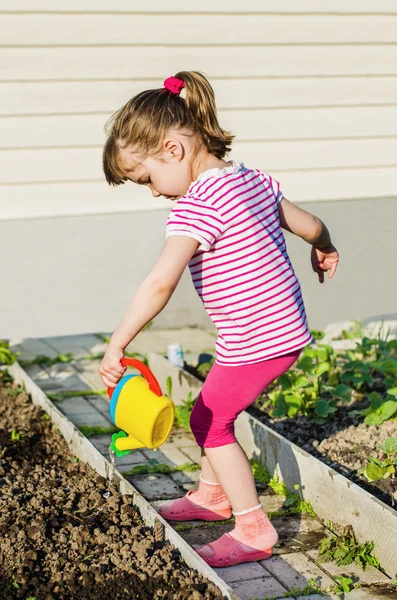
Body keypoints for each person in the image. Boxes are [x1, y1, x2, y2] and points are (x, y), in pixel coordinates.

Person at [99, 71, 339, 568]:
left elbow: (159, 284)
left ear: (173, 150)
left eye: (145, 178)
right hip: (273, 331)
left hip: (259, 339)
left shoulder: (197, 206)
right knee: (209, 408)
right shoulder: (250, 180)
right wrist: (325, 247)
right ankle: (212, 495)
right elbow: (310, 224)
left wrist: (117, 343)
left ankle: (253, 527)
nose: (152, 192)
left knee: (210, 423)